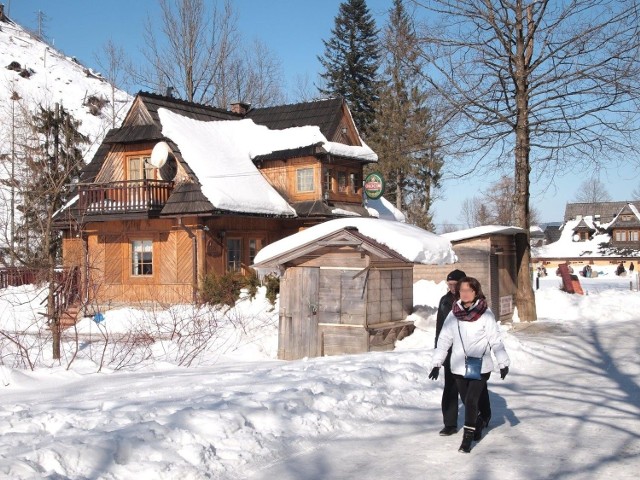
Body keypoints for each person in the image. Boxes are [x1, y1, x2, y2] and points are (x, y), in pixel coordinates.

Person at [429, 277, 510, 453]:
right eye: (462, 290)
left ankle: (467, 439)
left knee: (472, 400)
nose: (465, 294)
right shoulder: (453, 313)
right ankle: (479, 421)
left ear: (476, 292)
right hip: (458, 365)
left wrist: (503, 362)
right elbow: (444, 340)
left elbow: (495, 340)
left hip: (480, 365)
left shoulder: (485, 314)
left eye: (469, 290)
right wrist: (437, 363)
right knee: (467, 401)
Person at [434, 269, 491, 437]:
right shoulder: (445, 301)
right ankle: (450, 424)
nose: (451, 288)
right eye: (449, 284)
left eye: (455, 285)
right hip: (451, 354)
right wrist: (439, 355)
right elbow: (440, 329)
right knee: (450, 388)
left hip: (472, 354)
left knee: (475, 389)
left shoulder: (475, 303)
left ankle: (483, 415)